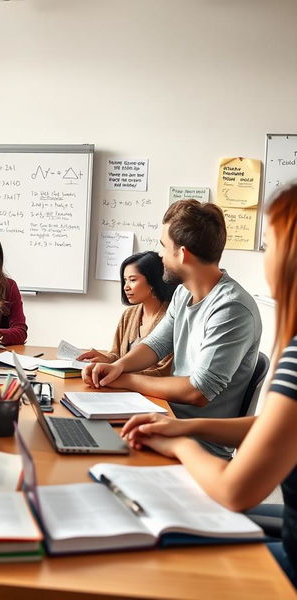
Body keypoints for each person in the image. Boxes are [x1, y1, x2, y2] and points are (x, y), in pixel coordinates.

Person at [120, 183, 297, 587]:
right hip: (189, 429)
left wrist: (179, 441)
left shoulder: (238, 310)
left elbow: (238, 493)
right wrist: (180, 425)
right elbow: (274, 426)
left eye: (269, 247)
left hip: (288, 559)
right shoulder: (183, 294)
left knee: (144, 561)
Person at [84, 200, 262, 458]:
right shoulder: (183, 292)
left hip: (198, 446)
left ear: (182, 253)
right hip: (165, 418)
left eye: (163, 247)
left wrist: (126, 380)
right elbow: (155, 345)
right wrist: (118, 367)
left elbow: (197, 391)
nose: (160, 256)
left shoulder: (231, 308)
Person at [77, 251, 179, 375]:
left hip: (151, 392)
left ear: (152, 281)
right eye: (125, 280)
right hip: (121, 389)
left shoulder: (172, 318)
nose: (126, 287)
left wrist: (118, 371)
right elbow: (117, 355)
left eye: (132, 280)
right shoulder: (128, 315)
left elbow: (163, 371)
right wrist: (107, 360)